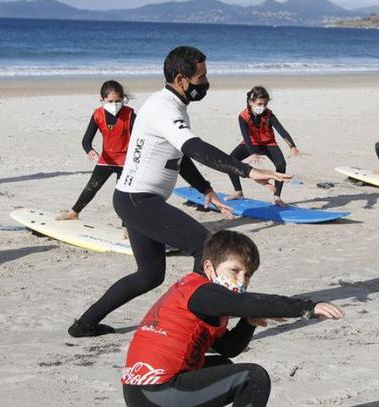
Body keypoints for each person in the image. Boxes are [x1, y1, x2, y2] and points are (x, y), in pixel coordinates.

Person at [68, 46, 287, 338]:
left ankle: (84, 324)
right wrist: (247, 171)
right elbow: (194, 148)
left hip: (133, 198)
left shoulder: (172, 106)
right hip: (138, 200)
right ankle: (189, 321)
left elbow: (178, 157)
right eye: (202, 77)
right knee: (206, 248)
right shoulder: (162, 108)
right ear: (182, 80)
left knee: (149, 275)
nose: (205, 83)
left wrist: (205, 189)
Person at [121, 230, 344, 407]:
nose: (241, 280)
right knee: (253, 377)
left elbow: (229, 348)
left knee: (222, 364)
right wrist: (307, 307)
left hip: (142, 394)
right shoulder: (203, 293)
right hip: (156, 397)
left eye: (247, 275)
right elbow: (248, 302)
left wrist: (248, 323)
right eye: (234, 270)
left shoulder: (200, 296)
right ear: (209, 268)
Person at [58, 80, 135, 221]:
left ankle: (127, 227)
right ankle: (74, 213)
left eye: (118, 101)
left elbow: (140, 137)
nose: (115, 104)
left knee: (123, 196)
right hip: (106, 159)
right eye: (110, 101)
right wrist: (89, 150)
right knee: (91, 187)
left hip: (126, 160)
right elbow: (86, 140)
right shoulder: (97, 115)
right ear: (102, 100)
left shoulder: (130, 115)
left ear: (123, 99)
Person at [224, 86, 300, 207]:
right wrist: (252, 153)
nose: (262, 107)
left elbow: (282, 130)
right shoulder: (243, 116)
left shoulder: (269, 115)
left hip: (269, 143)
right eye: (259, 104)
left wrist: (292, 146)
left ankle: (277, 197)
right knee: (230, 160)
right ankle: (238, 191)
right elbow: (246, 137)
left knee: (281, 164)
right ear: (251, 102)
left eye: (265, 104)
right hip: (251, 143)